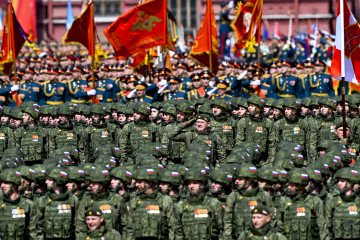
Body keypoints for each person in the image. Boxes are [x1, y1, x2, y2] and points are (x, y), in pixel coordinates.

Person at [0, 168, 35, 239]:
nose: (2, 186)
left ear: (14, 184)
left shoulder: (28, 205)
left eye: (6, 182)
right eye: (1, 183)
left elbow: (33, 232)